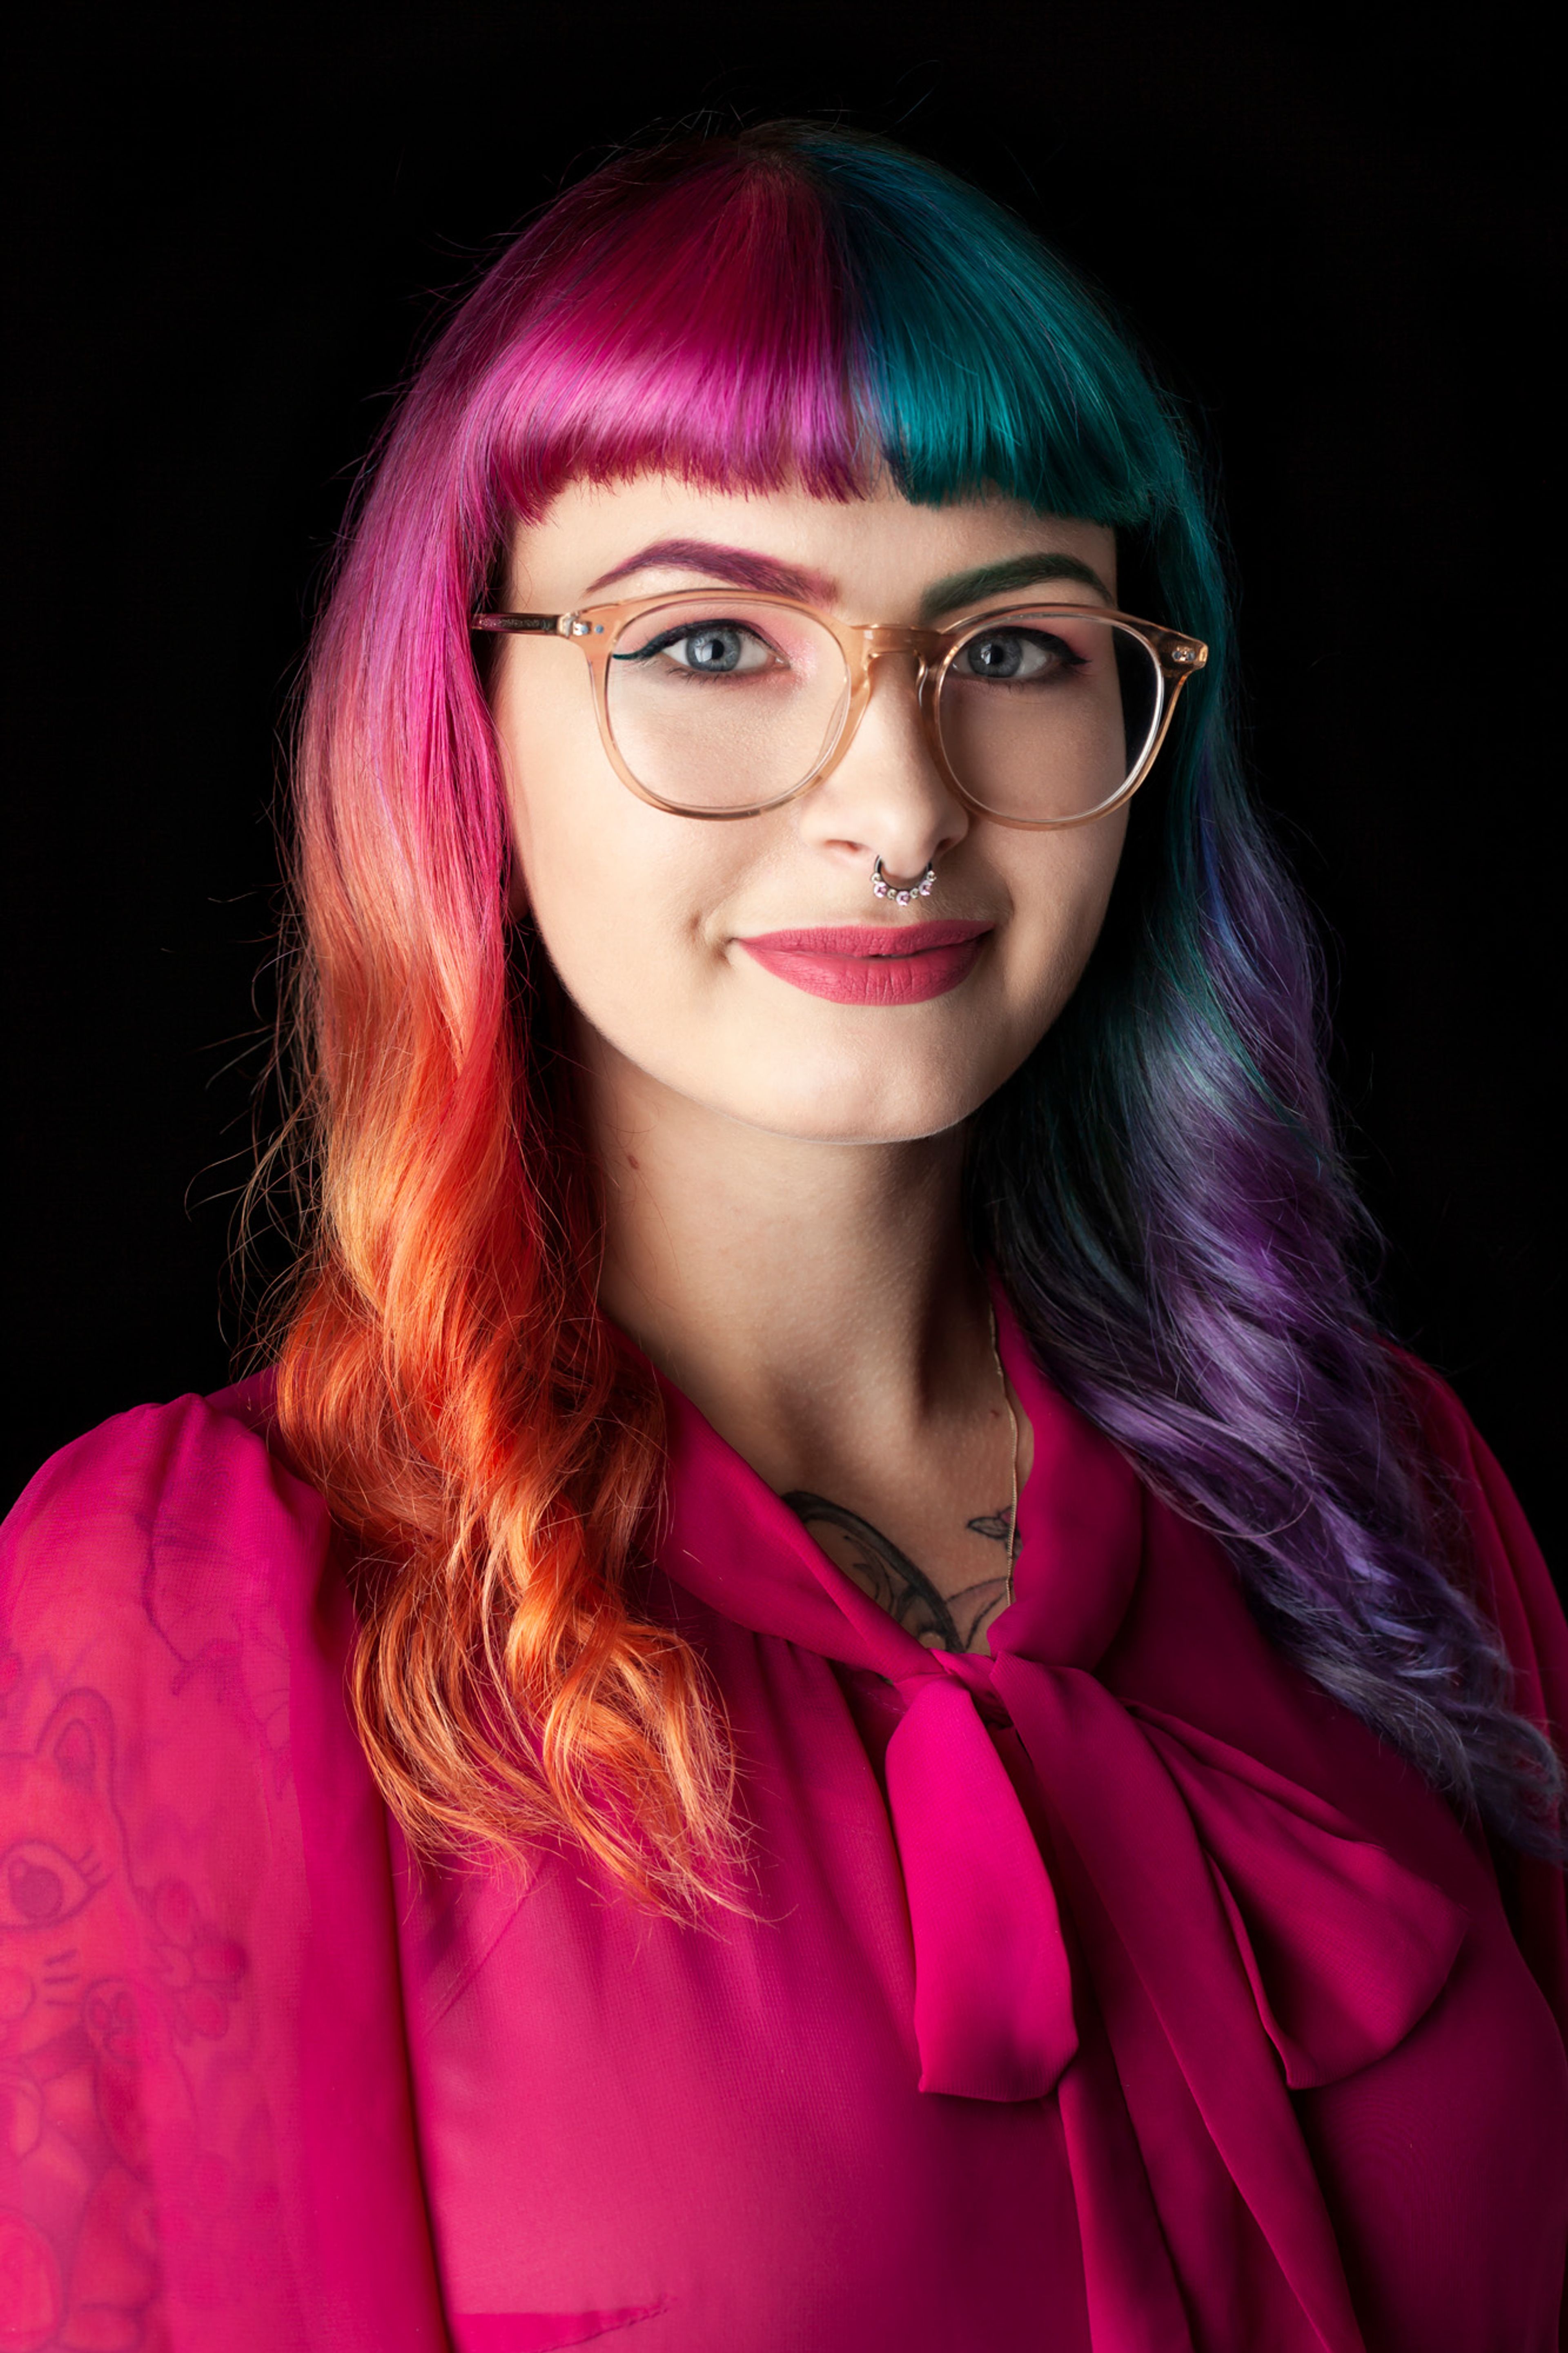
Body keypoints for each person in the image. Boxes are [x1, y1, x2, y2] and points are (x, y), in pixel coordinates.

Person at [1, 121, 1564, 2353]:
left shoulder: (1391, 1505)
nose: (901, 806)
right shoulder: (186, 1602)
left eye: (1013, 645)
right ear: (466, 717)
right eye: (717, 636)